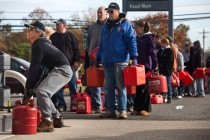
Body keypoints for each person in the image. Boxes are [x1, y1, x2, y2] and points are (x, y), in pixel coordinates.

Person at [23, 20, 72, 132]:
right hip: (59, 69)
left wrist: (28, 88)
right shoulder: (42, 43)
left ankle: (47, 121)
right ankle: (57, 117)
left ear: (39, 33)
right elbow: (39, 69)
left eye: (31, 29)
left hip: (62, 70)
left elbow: (34, 68)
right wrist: (31, 88)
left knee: (42, 92)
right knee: (41, 91)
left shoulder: (38, 44)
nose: (28, 31)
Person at [96, 2, 138, 119]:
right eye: (108, 11)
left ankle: (122, 110)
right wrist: (98, 57)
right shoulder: (105, 26)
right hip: (107, 61)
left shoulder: (125, 24)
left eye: (111, 11)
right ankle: (110, 110)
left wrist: (134, 56)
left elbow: (132, 41)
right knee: (108, 88)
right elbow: (102, 44)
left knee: (120, 86)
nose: (109, 13)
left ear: (118, 12)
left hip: (120, 61)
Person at [50, 18, 80, 112]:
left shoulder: (71, 36)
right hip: (57, 66)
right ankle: (62, 105)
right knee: (58, 87)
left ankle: (74, 104)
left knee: (72, 86)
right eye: (56, 24)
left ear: (64, 25)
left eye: (59, 24)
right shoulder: (53, 37)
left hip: (70, 65)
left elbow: (76, 49)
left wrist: (76, 61)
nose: (57, 26)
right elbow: (50, 50)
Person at [131, 20, 157, 116]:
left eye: (136, 28)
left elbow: (153, 53)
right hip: (138, 65)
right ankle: (137, 108)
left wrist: (155, 66)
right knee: (138, 87)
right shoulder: (138, 38)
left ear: (142, 28)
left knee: (144, 87)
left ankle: (146, 108)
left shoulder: (149, 38)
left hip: (146, 66)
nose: (135, 30)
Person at [84, 6, 107, 113]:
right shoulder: (92, 27)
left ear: (106, 13)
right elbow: (87, 41)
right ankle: (97, 106)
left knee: (108, 83)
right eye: (98, 12)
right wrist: (89, 52)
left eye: (101, 12)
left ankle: (109, 106)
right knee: (94, 83)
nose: (99, 14)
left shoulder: (109, 26)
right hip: (93, 58)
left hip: (106, 58)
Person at [157, 38, 174, 103]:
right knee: (162, 83)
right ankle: (163, 96)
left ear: (165, 43)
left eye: (162, 43)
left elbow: (170, 60)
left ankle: (169, 96)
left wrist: (163, 63)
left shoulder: (170, 50)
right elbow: (158, 58)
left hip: (167, 70)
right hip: (161, 70)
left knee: (168, 83)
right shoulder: (161, 50)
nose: (161, 44)